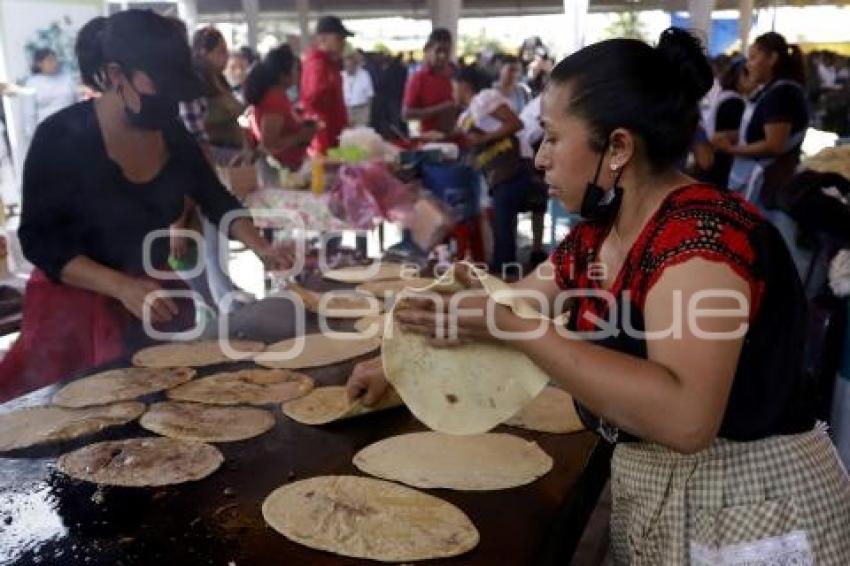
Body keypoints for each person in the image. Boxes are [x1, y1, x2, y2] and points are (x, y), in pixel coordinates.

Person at [348, 28, 850, 564]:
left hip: (755, 510)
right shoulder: (598, 236)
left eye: (552, 137)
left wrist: (515, 329)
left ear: (618, 146)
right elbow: (514, 300)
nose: (539, 159)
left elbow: (686, 418)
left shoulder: (703, 241)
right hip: (665, 502)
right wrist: (397, 364)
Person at [0, 10, 293, 401]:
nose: (169, 103)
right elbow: (40, 242)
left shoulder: (171, 134)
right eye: (162, 89)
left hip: (153, 299)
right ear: (115, 74)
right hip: (73, 315)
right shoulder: (59, 139)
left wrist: (262, 247)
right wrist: (121, 287)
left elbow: (216, 199)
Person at [712, 32, 810, 276]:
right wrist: (733, 135)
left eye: (754, 57)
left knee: (774, 251)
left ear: (772, 58)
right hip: (766, 184)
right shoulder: (769, 91)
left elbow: (774, 144)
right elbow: (758, 131)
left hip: (771, 184)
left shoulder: (781, 94)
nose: (748, 63)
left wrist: (731, 149)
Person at [175, 25, 254, 315]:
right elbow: (198, 140)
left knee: (216, 234)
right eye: (219, 52)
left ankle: (220, 296)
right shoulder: (193, 86)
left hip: (222, 165)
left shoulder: (214, 80)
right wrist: (214, 165)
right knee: (208, 237)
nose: (224, 57)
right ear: (201, 52)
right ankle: (218, 300)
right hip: (210, 167)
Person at [454, 65, 525, 274]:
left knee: (503, 225)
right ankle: (502, 272)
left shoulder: (484, 99)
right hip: (493, 172)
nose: (452, 92)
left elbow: (515, 123)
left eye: (454, 86)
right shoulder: (466, 114)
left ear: (464, 85)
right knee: (499, 223)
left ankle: (507, 278)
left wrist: (485, 138)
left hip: (508, 167)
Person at [246, 45, 318, 175]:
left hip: (286, 167)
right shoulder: (275, 98)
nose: (298, 72)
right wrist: (301, 136)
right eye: (295, 68)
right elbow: (268, 144)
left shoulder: (278, 95)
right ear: (283, 75)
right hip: (278, 170)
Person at [300, 15, 351, 155]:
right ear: (322, 39)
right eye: (339, 39)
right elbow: (314, 104)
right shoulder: (318, 64)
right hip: (324, 140)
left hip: (333, 137)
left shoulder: (329, 64)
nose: (343, 43)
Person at [699, 59, 747, 187]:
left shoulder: (722, 95)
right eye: (747, 74)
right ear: (739, 77)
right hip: (720, 162)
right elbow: (724, 135)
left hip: (709, 158)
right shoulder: (734, 102)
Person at [402, 28, 457, 137]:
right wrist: (441, 108)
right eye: (438, 51)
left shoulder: (455, 75)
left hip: (455, 137)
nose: (443, 56)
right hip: (431, 140)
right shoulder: (419, 78)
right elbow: (406, 114)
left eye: (446, 52)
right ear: (427, 49)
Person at [23, 48, 78, 144]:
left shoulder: (67, 79)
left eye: (55, 59)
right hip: (48, 132)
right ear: (39, 64)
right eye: (49, 60)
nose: (54, 63)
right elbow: (29, 114)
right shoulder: (32, 83)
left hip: (71, 129)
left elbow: (78, 103)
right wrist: (33, 138)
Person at [342, 49, 374, 128]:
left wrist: (368, 113)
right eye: (347, 66)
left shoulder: (364, 74)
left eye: (351, 65)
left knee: (361, 133)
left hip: (361, 109)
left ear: (355, 64)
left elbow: (370, 95)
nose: (349, 67)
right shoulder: (341, 75)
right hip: (345, 109)